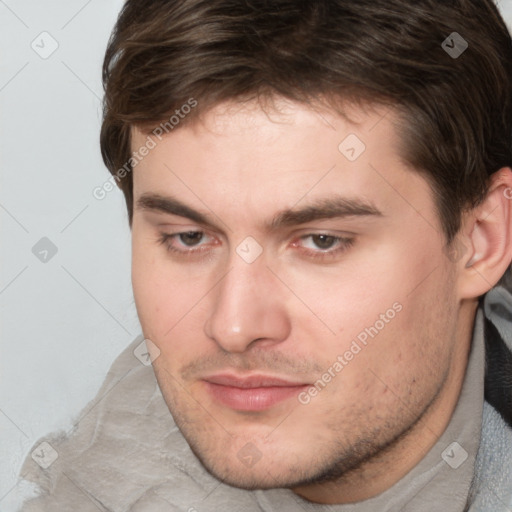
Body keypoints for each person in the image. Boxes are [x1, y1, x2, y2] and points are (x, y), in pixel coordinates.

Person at [19, 0, 512, 510]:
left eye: (322, 241)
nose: (234, 328)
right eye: (189, 237)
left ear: (481, 240)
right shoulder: (96, 483)